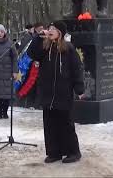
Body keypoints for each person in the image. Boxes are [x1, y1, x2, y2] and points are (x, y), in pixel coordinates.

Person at [27, 20, 84, 163]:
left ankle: (73, 152)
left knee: (66, 124)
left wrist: (79, 88)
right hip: (47, 93)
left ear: (60, 32)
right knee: (50, 125)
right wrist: (37, 37)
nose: (50, 30)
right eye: (49, 27)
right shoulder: (44, 47)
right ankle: (54, 153)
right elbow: (31, 53)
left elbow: (76, 70)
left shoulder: (69, 49)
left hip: (63, 93)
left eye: (53, 28)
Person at [0, 24, 18, 119]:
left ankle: (5, 112)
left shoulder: (10, 44)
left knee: (6, 94)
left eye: (2, 32)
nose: (0, 34)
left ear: (4, 33)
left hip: (7, 72)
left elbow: (15, 58)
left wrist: (15, 71)